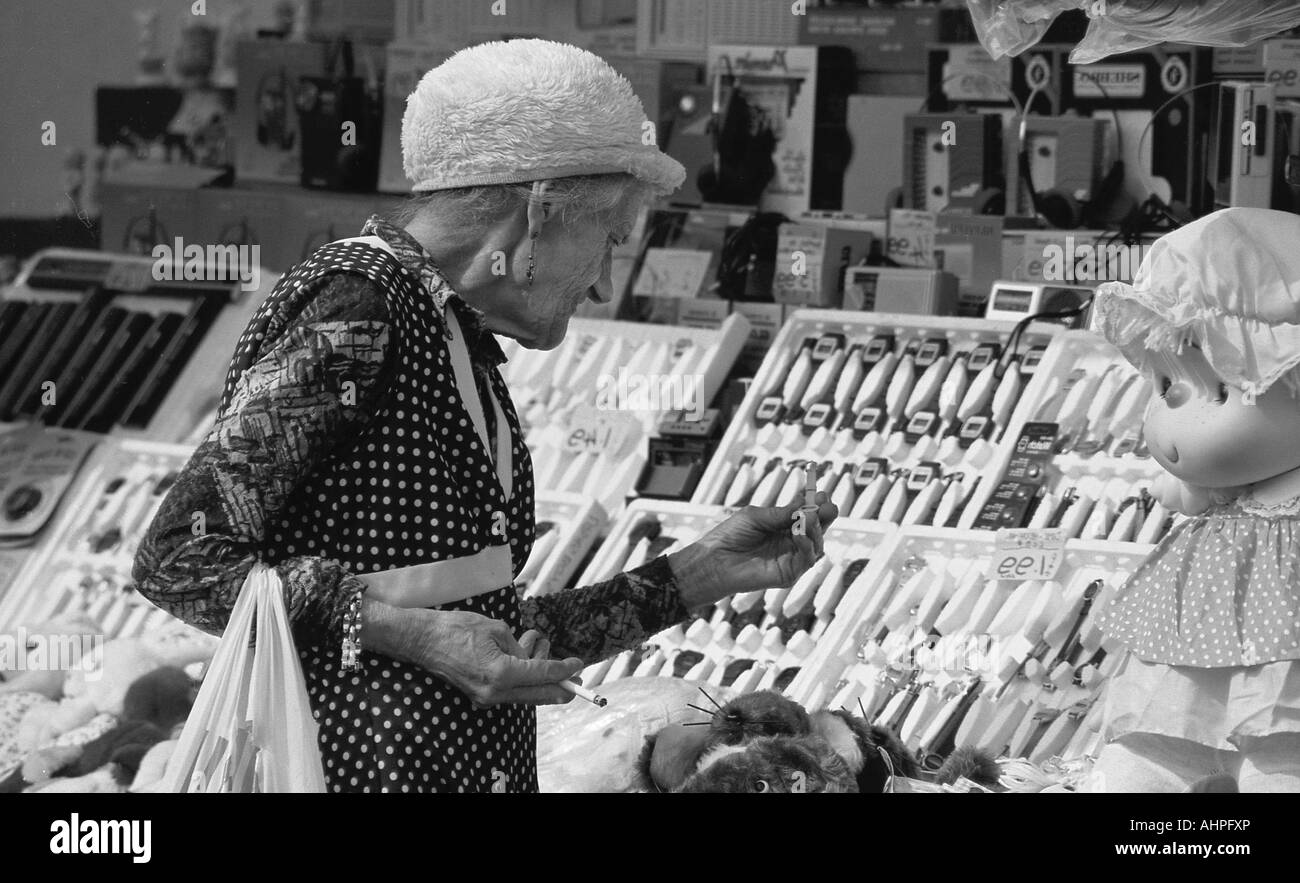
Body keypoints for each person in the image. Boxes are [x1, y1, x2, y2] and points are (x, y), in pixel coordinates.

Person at [131, 39, 837, 793]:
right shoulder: (359, 306)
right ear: (538, 213)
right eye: (607, 241)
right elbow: (179, 558)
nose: (603, 282)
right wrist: (416, 634)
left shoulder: (452, 337)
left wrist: (703, 571)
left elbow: (482, 631)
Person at [1089, 207, 1300, 792]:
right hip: (1193, 648)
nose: (1168, 424)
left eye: (1224, 389)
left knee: (1278, 764)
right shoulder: (1231, 485)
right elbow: (1189, 491)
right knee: (1153, 751)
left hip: (1287, 667)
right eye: (1163, 388)